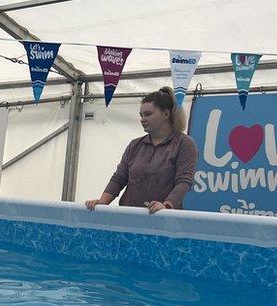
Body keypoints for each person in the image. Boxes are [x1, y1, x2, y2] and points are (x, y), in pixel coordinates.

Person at [85, 86, 199, 214]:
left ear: (166, 114)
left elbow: (184, 182)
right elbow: (119, 178)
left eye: (148, 114)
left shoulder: (185, 144)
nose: (142, 119)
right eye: (141, 115)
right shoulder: (135, 145)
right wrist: (102, 203)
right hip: (129, 215)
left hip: (163, 219)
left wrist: (166, 206)